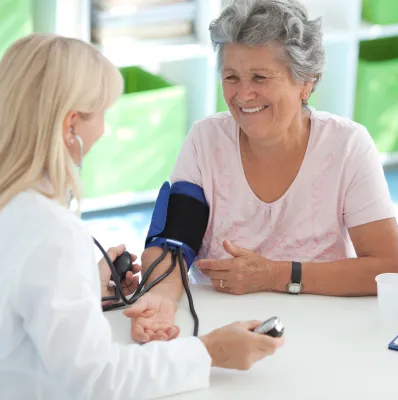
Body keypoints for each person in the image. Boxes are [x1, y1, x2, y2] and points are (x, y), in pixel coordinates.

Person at [0, 33, 284, 399]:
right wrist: (211, 351)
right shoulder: (52, 232)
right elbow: (95, 380)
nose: (104, 128)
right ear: (71, 125)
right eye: (102, 113)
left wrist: (81, 284)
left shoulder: (19, 209)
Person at [127, 0, 398, 343]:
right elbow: (174, 245)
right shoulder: (205, 140)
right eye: (231, 77)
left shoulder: (347, 146)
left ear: (306, 82)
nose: (243, 94)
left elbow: (388, 267)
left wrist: (275, 275)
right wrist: (161, 300)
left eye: (260, 77)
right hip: (221, 329)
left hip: (325, 328)